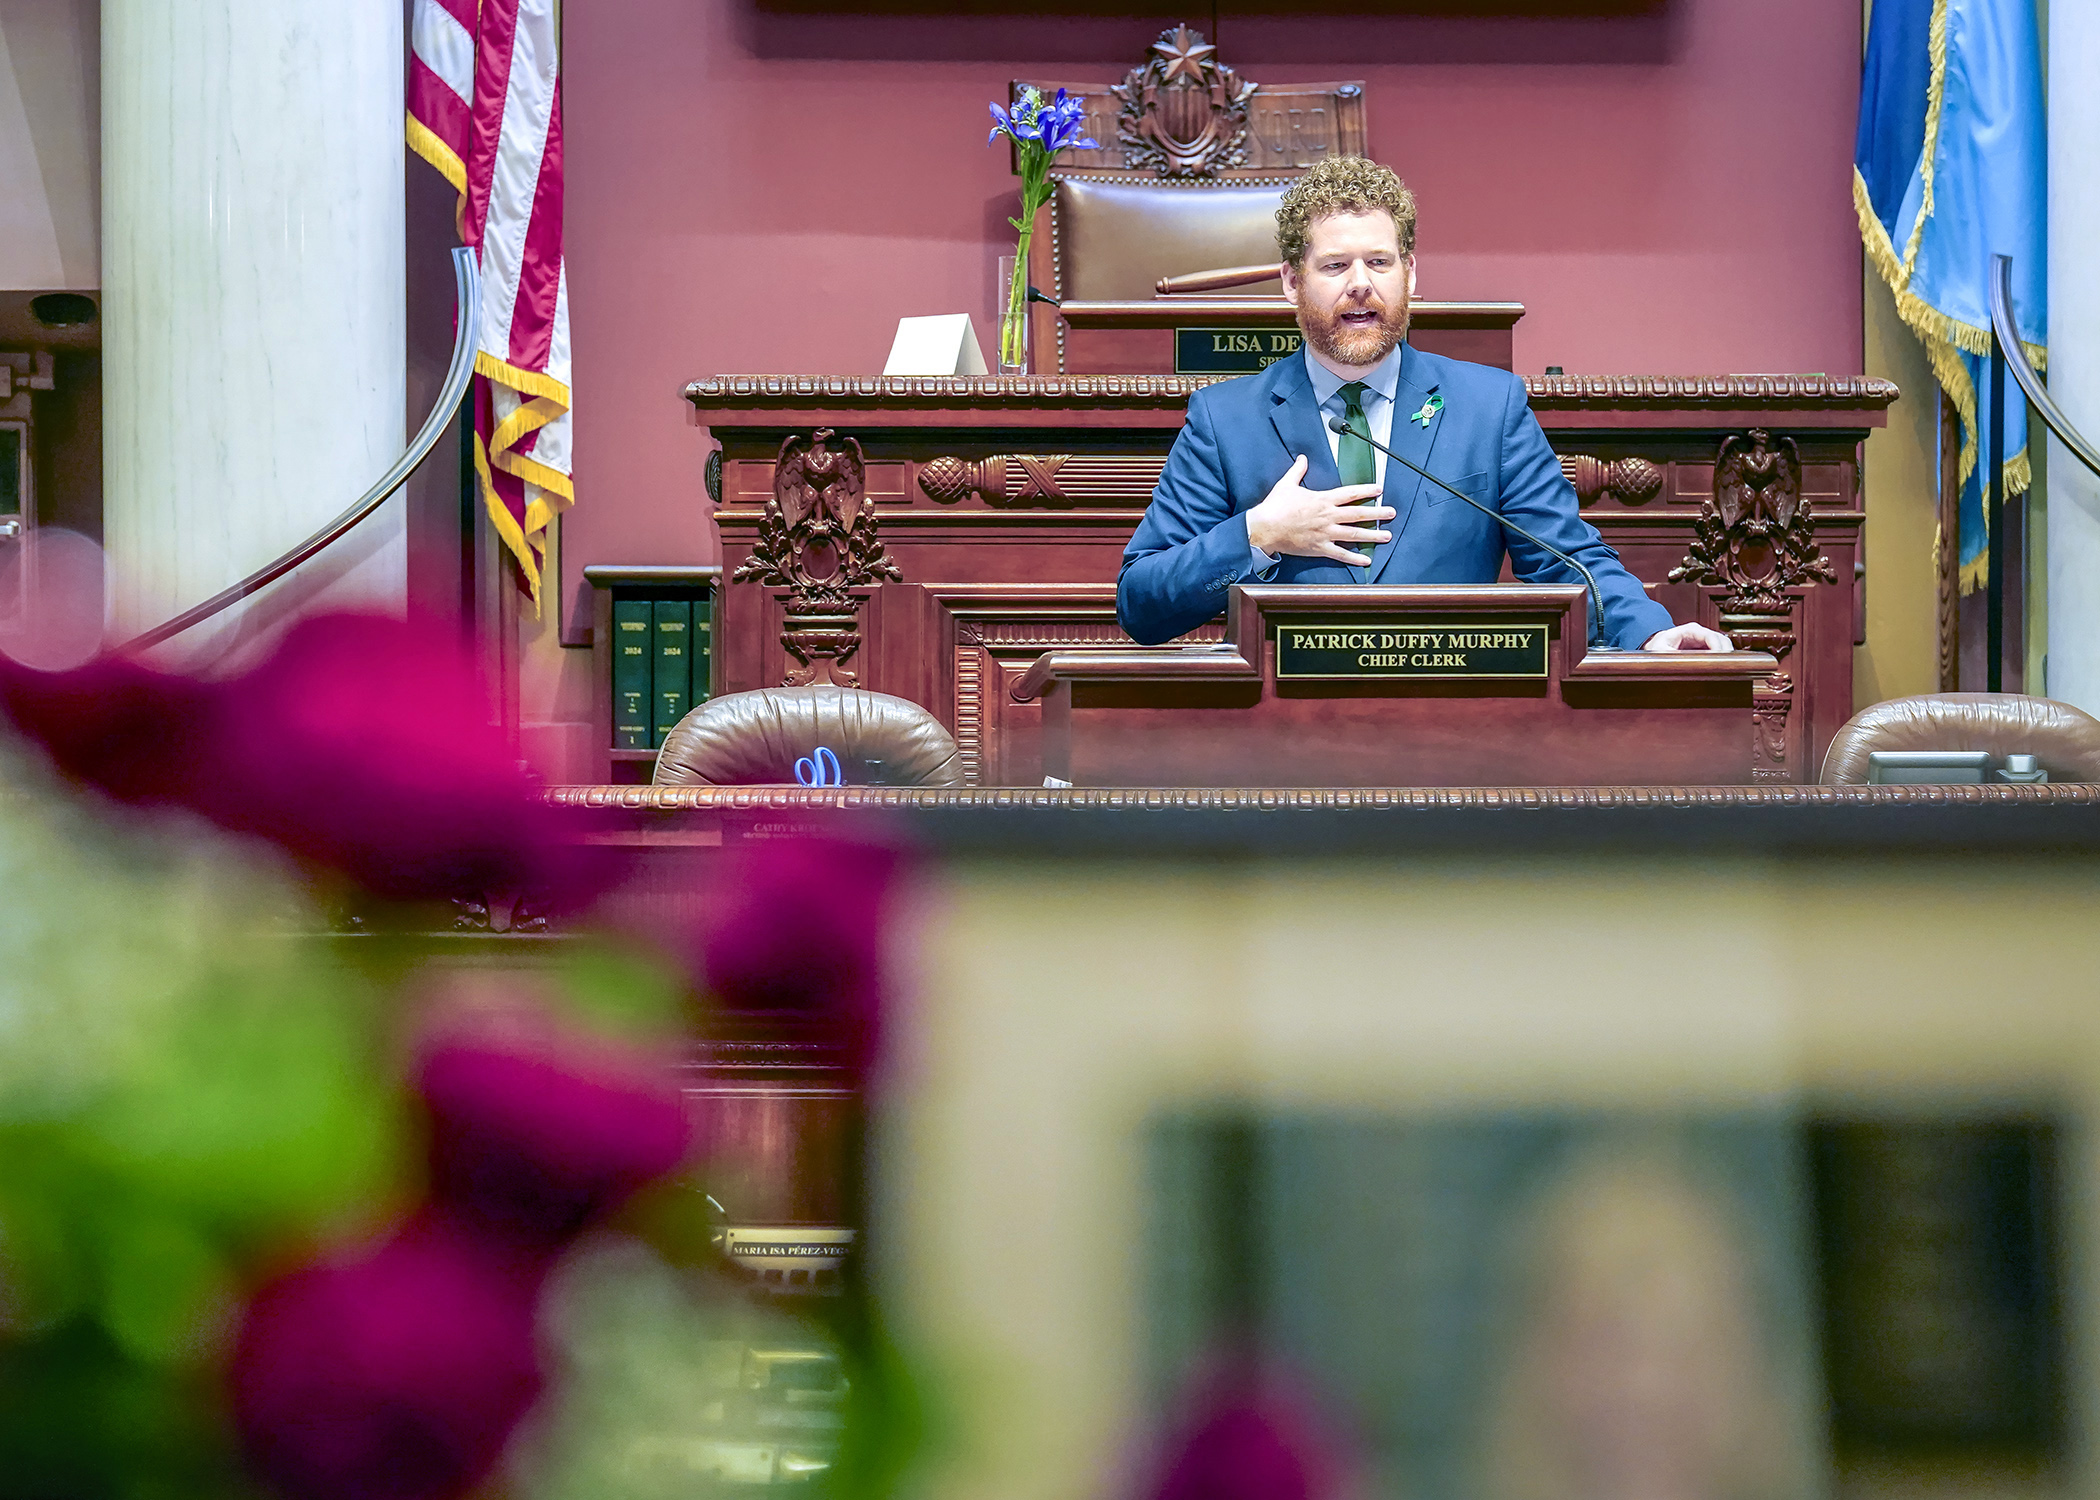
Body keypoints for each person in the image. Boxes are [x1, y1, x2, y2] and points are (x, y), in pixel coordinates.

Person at [1116, 157, 1732, 654]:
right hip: (1282, 751)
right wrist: (1259, 534)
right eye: (1334, 265)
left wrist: (1650, 632)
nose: (1361, 282)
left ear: (1410, 274)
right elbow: (1141, 603)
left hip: (1455, 733)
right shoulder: (1225, 420)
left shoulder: (1490, 408)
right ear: (1290, 281)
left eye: (1379, 262)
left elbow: (1567, 558)